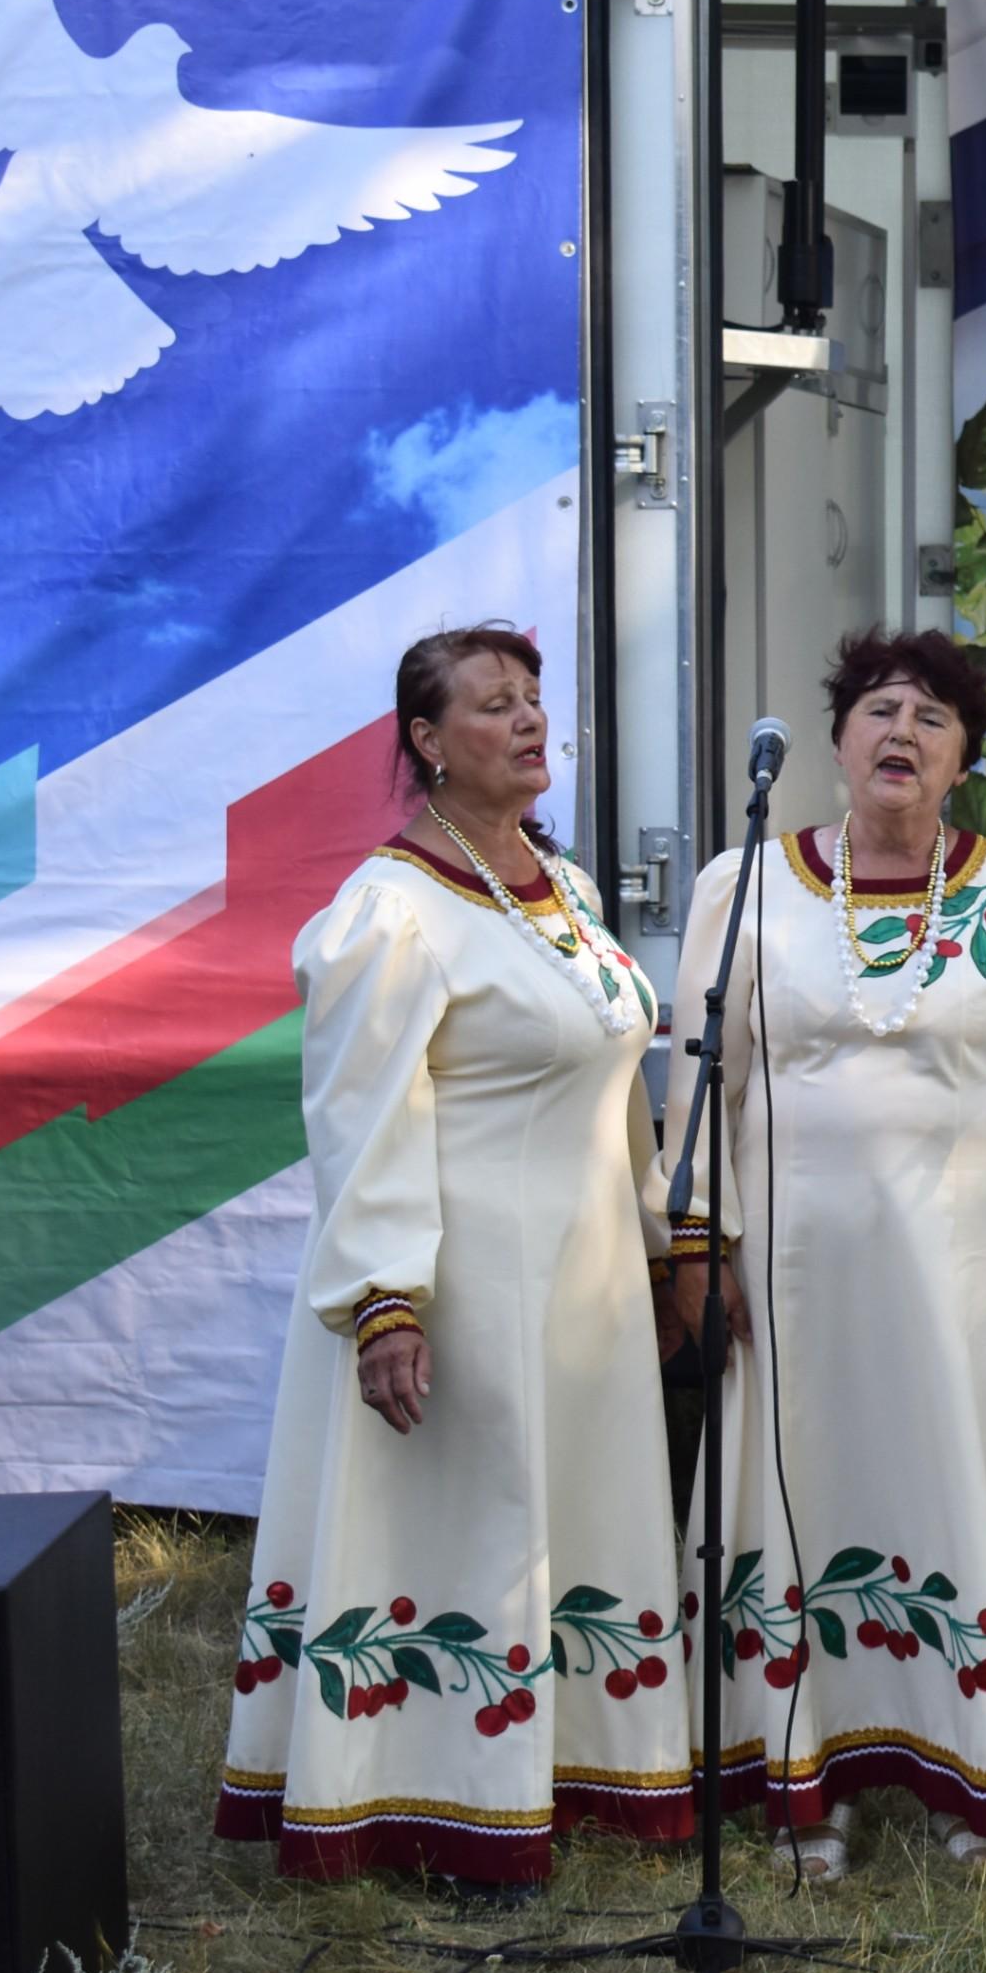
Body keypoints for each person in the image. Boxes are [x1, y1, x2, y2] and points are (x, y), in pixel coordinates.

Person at [216, 627, 688, 1891]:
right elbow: (361, 1122)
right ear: (426, 742)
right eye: (494, 706)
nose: (532, 723)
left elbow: (614, 1086)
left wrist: (656, 1245)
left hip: (579, 1284)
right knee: (468, 1530)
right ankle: (437, 1807)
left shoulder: (562, 887)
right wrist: (388, 1305)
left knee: (566, 1515)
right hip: (465, 1284)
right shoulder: (390, 912)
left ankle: (576, 1769)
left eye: (535, 700)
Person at [663, 627, 986, 1877]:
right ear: (834, 741)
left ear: (963, 757)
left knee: (949, 1487)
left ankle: (963, 1767)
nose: (901, 736)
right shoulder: (746, 884)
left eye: (932, 718)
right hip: (793, 1269)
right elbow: (701, 1083)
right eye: (878, 709)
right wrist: (695, 1243)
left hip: (961, 1267)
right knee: (797, 1489)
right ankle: (799, 1780)